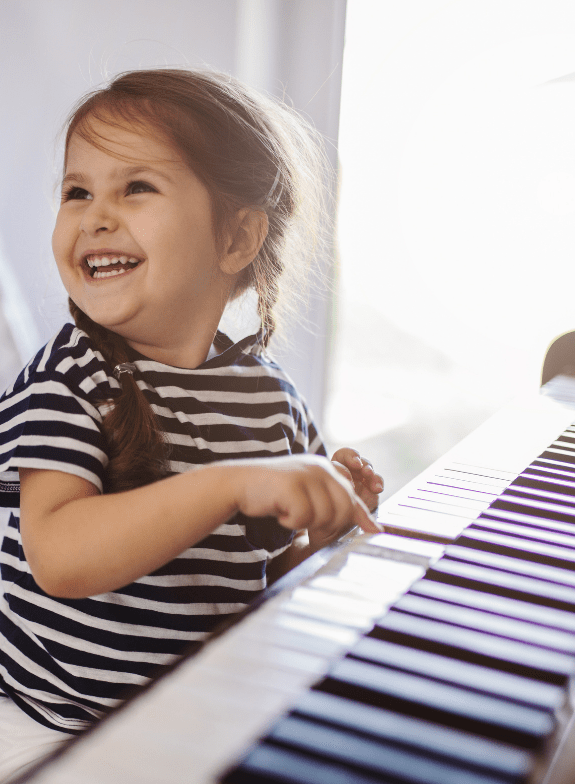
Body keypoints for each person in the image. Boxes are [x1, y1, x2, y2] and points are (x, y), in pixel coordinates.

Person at [0, 67, 383, 779]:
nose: (96, 215)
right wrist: (233, 484)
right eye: (77, 191)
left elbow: (254, 581)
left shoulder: (272, 403)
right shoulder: (71, 379)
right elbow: (60, 556)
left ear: (236, 239)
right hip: (50, 721)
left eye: (135, 187)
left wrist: (322, 537)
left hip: (191, 711)